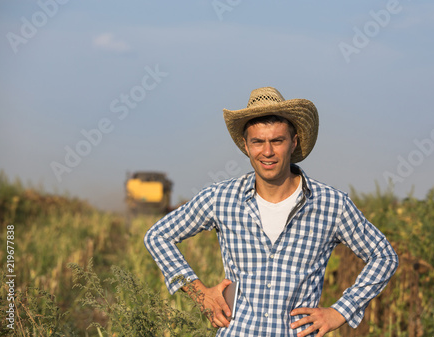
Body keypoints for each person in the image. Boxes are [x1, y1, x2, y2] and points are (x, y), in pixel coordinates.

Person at [144, 87, 399, 336]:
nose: (267, 152)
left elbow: (384, 256)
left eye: (277, 141)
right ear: (246, 145)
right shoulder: (220, 198)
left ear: (293, 142)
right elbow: (157, 236)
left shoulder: (331, 204)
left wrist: (340, 312)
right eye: (258, 142)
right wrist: (200, 293)